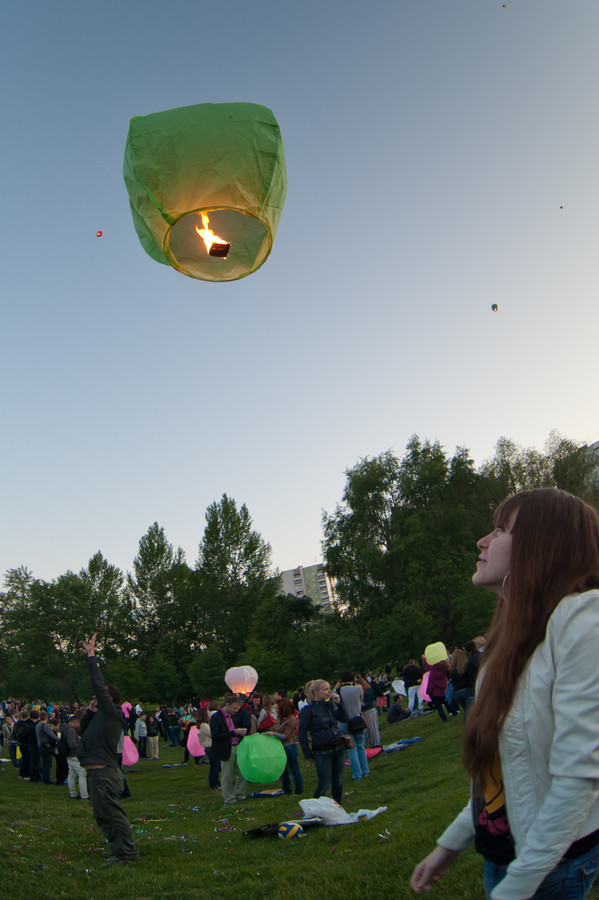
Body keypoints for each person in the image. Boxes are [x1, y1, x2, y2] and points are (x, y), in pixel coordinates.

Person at [411, 488, 599, 900]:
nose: (482, 541)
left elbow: (579, 775)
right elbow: (504, 771)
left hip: (552, 865)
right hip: (502, 855)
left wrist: (520, 884)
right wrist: (450, 844)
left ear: (542, 546)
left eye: (499, 530)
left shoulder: (582, 621)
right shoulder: (505, 643)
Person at [77, 632, 139, 863]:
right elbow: (83, 730)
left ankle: (128, 853)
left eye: (98, 697)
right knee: (103, 815)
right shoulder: (98, 715)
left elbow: (98, 684)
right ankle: (118, 849)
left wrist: (91, 655)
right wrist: (91, 711)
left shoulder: (113, 713)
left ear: (109, 698)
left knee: (112, 815)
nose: (94, 699)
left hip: (105, 773)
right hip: (95, 773)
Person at [298, 680, 345, 803]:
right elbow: (301, 734)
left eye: (329, 688)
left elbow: (344, 718)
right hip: (322, 750)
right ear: (315, 692)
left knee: (338, 780)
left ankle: (337, 805)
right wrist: (308, 755)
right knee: (324, 783)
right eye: (325, 689)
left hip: (338, 745)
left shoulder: (331, 705)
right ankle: (313, 808)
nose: (329, 691)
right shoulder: (309, 711)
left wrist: (339, 703)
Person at [209, 695, 249, 804]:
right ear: (227, 705)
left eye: (237, 709)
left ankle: (240, 794)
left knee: (243, 772)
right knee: (227, 775)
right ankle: (229, 798)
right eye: (234, 708)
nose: (236, 711)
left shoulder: (232, 717)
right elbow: (215, 736)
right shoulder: (216, 717)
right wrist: (234, 733)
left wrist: (239, 734)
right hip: (225, 748)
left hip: (236, 746)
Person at [336, 670, 370, 780]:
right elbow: (361, 701)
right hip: (358, 719)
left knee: (351, 749)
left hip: (344, 723)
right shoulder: (358, 688)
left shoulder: (337, 691)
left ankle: (357, 774)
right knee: (361, 747)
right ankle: (365, 770)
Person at [267, 698, 303, 795]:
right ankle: (286, 790)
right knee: (282, 770)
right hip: (280, 747)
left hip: (289, 747)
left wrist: (273, 734)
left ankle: (299, 790)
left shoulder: (292, 720)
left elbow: (286, 736)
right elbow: (274, 728)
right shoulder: (280, 718)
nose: (276, 710)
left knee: (294, 769)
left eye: (278, 708)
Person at [62, 710, 88, 800]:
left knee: (71, 774)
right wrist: (82, 746)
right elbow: (72, 744)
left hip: (68, 755)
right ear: (75, 722)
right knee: (82, 774)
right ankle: (84, 795)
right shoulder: (71, 730)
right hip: (74, 755)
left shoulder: (65, 728)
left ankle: (73, 793)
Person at [36, 709, 59, 784]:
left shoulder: (38, 725)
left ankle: (44, 778)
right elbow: (51, 735)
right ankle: (47, 780)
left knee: (44, 763)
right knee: (47, 764)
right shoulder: (44, 725)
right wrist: (59, 739)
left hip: (39, 745)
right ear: (46, 717)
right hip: (46, 746)